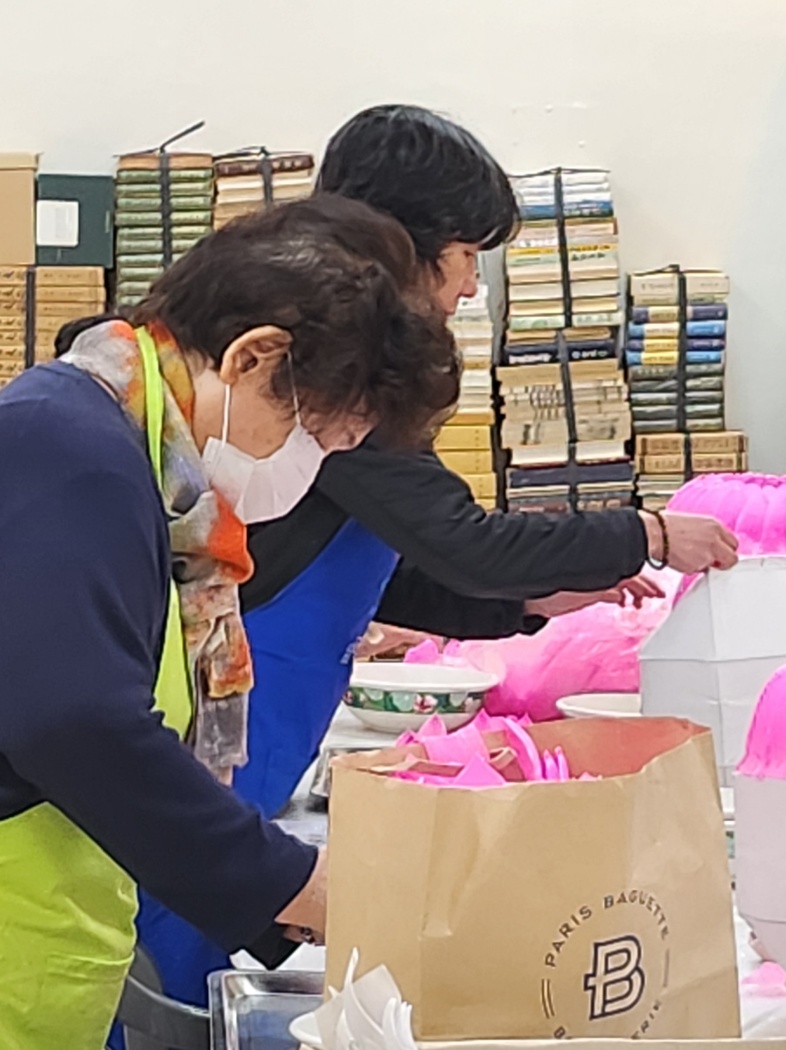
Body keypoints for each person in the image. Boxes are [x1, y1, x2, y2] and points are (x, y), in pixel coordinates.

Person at [132, 104, 740, 1009]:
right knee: (170, 967)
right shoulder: (320, 368)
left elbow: (395, 563)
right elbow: (462, 540)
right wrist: (645, 533)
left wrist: (526, 605)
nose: (468, 289)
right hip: (218, 724)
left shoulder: (342, 371)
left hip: (260, 726)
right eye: (465, 257)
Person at [0, 195, 460, 1048]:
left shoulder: (143, 472)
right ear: (253, 358)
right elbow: (75, 721)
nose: (308, 469)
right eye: (315, 437)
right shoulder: (68, 446)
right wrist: (289, 881)